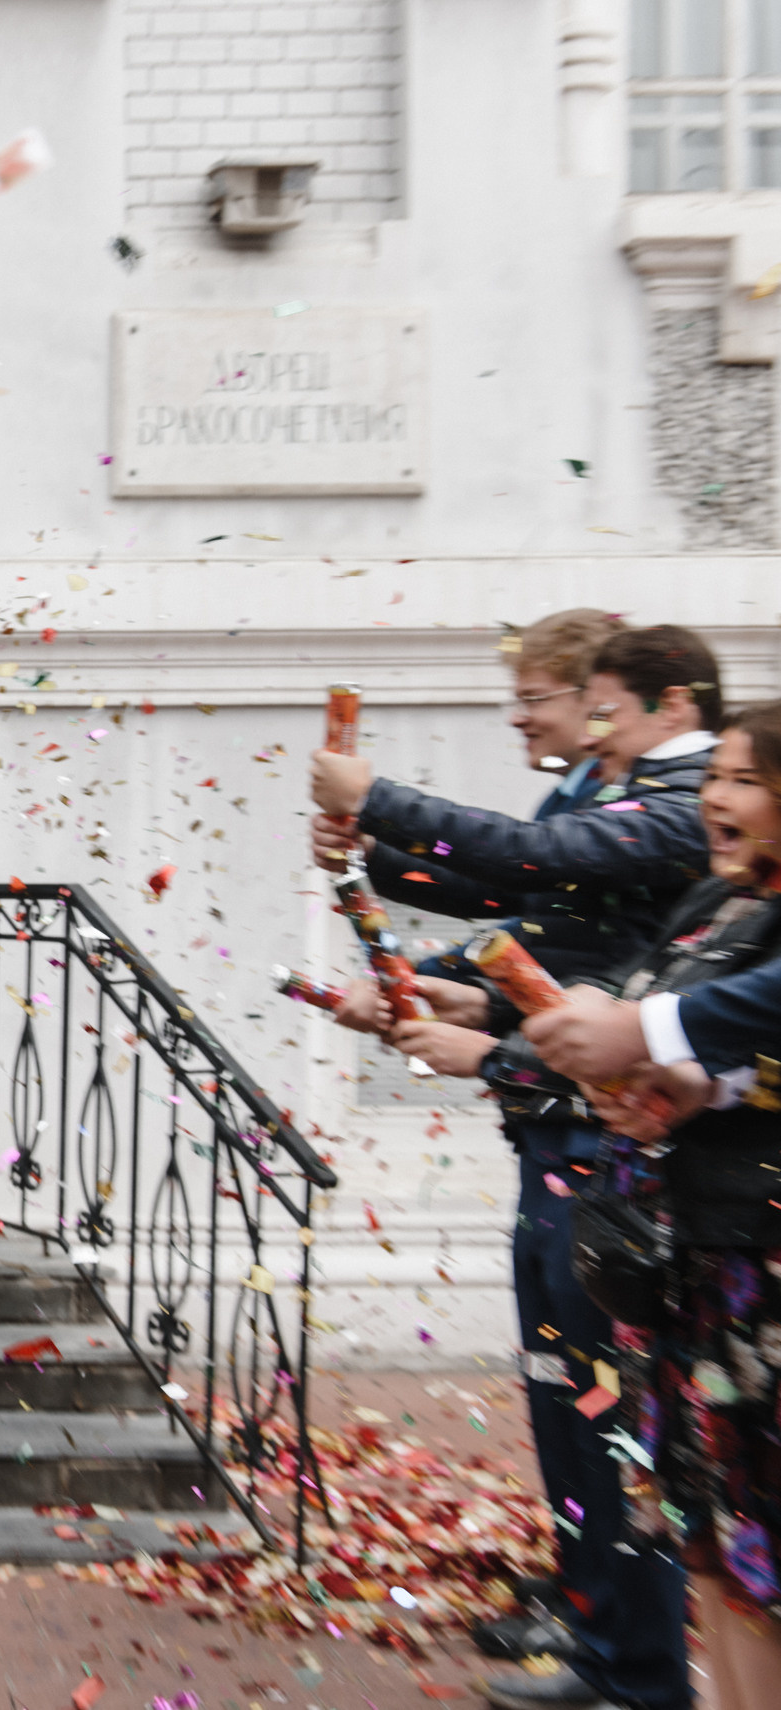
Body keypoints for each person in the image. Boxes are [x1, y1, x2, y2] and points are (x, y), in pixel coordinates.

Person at [311, 624, 717, 1710]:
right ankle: (597, 1631)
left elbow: (563, 888)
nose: (566, 729)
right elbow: (548, 926)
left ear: (669, 707)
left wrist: (381, 804)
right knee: (564, 1397)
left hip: (615, 1149)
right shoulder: (631, 792)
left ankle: (634, 1661)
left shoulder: (681, 804)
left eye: (592, 708)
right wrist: (382, 874)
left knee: (617, 1417)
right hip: (558, 1132)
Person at [516, 701, 781, 1710]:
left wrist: (647, 1035)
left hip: (759, 1276)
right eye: (717, 775)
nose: (716, 795)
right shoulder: (721, 908)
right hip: (694, 1270)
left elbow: (706, 1018)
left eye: (745, 779)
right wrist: (683, 1085)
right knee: (714, 1542)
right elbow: (732, 1059)